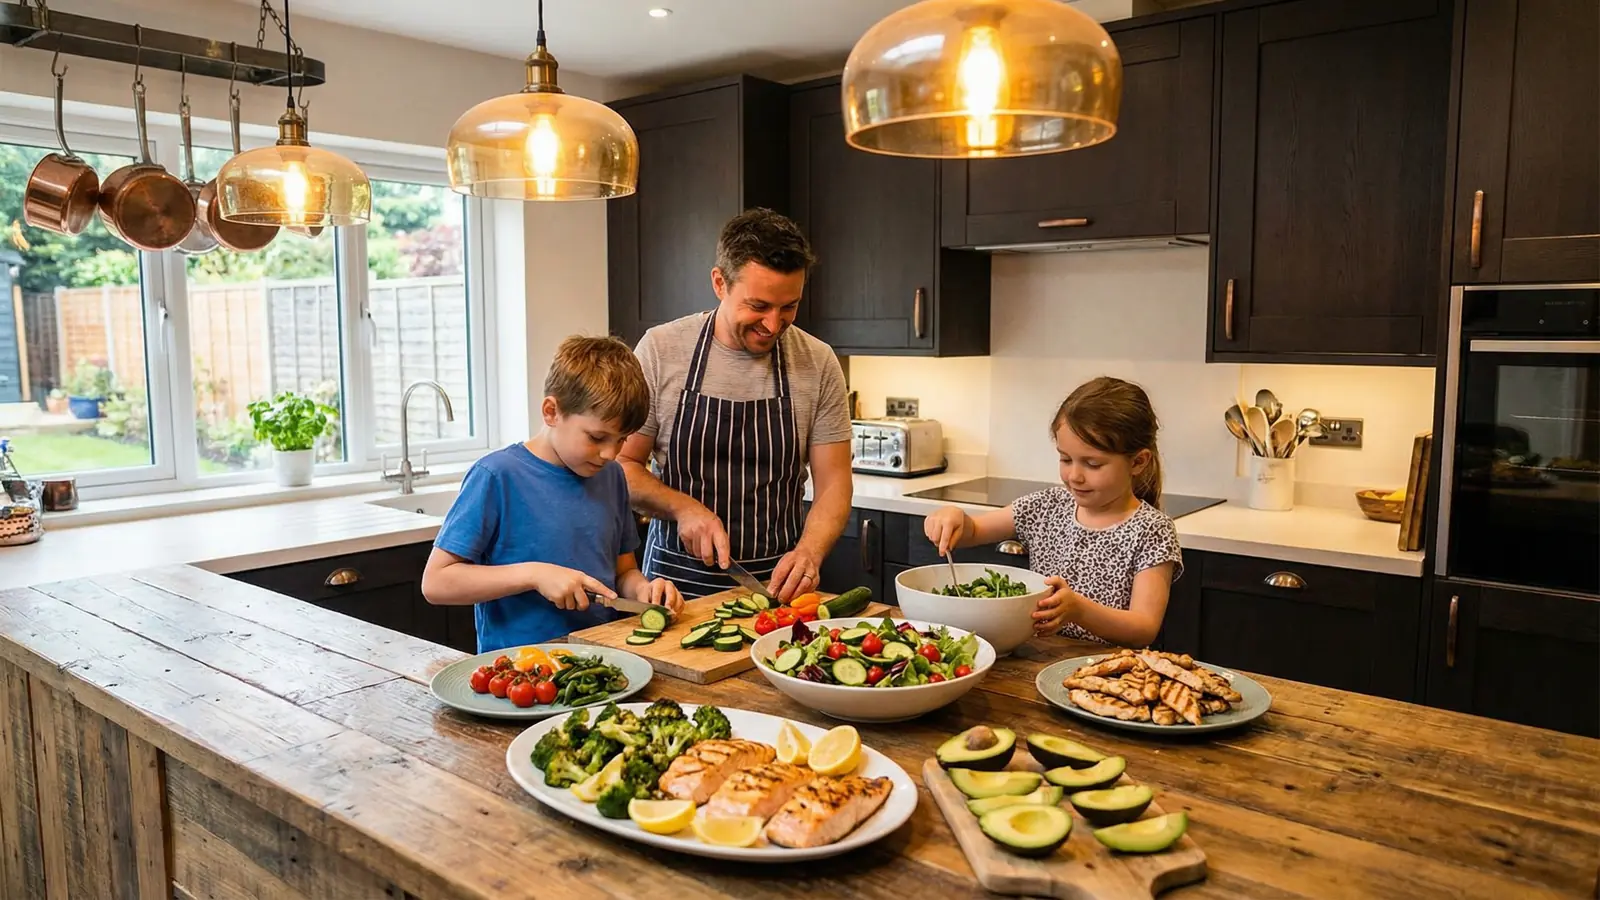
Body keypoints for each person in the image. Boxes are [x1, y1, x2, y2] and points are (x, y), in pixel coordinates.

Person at [620, 208, 854, 601]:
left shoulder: (817, 361)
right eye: (758, 306)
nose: (773, 324)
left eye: (789, 307)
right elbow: (621, 467)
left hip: (777, 587)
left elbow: (834, 483)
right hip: (671, 590)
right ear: (719, 283)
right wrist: (682, 508)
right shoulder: (662, 351)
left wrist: (810, 553)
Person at [422, 336, 684, 652]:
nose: (609, 454)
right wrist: (534, 574)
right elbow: (436, 583)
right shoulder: (497, 476)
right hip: (520, 672)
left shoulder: (611, 476)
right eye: (597, 437)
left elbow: (622, 571)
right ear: (551, 411)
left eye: (621, 440)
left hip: (603, 658)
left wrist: (644, 590)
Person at [923, 377, 1181, 647]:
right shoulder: (1047, 505)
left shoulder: (1153, 530)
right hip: (1037, 660)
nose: (1074, 476)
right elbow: (973, 530)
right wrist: (952, 517)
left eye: (1092, 464)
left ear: (1138, 462)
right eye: (1065, 459)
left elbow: (1143, 628)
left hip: (1108, 674)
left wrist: (1079, 610)